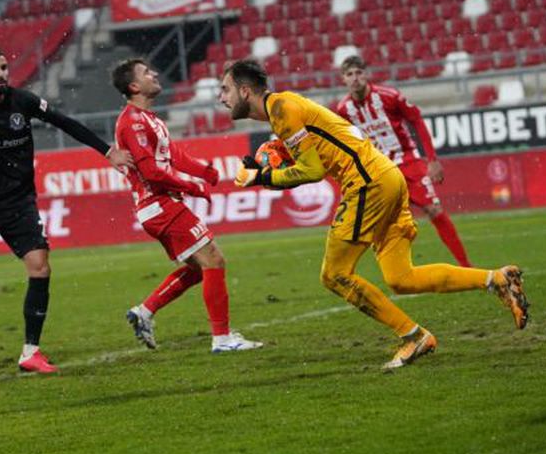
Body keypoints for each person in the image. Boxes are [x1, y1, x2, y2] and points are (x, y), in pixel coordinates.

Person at [219, 59, 529, 370]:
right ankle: (497, 279)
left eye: (226, 89)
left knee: (334, 274)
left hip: (367, 183)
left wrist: (262, 178)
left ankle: (414, 336)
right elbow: (314, 154)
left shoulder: (282, 109)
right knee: (401, 278)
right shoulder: (285, 106)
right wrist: (271, 165)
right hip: (386, 176)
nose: (222, 98)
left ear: (245, 91)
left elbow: (311, 171)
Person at [0, 46, 134, 376]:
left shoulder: (23, 101)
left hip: (19, 204)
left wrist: (107, 151)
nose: (1, 74)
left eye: (3, 67)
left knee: (40, 269)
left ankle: (31, 351)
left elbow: (65, 123)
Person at [111, 58, 262, 353]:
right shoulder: (132, 122)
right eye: (146, 73)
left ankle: (144, 311)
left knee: (197, 269)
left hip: (162, 204)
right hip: (158, 204)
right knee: (214, 260)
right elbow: (151, 173)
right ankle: (222, 339)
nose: (154, 74)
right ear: (133, 86)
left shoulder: (151, 118)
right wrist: (191, 186)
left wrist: (205, 172)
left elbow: (174, 155)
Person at [331, 54, 471, 266]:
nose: (355, 78)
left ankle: (466, 266)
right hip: (379, 169)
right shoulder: (343, 110)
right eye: (349, 74)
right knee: (386, 223)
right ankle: (400, 271)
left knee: (433, 210)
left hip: (408, 161)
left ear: (367, 75)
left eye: (359, 73)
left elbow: (416, 120)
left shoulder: (389, 96)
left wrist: (432, 159)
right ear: (343, 79)